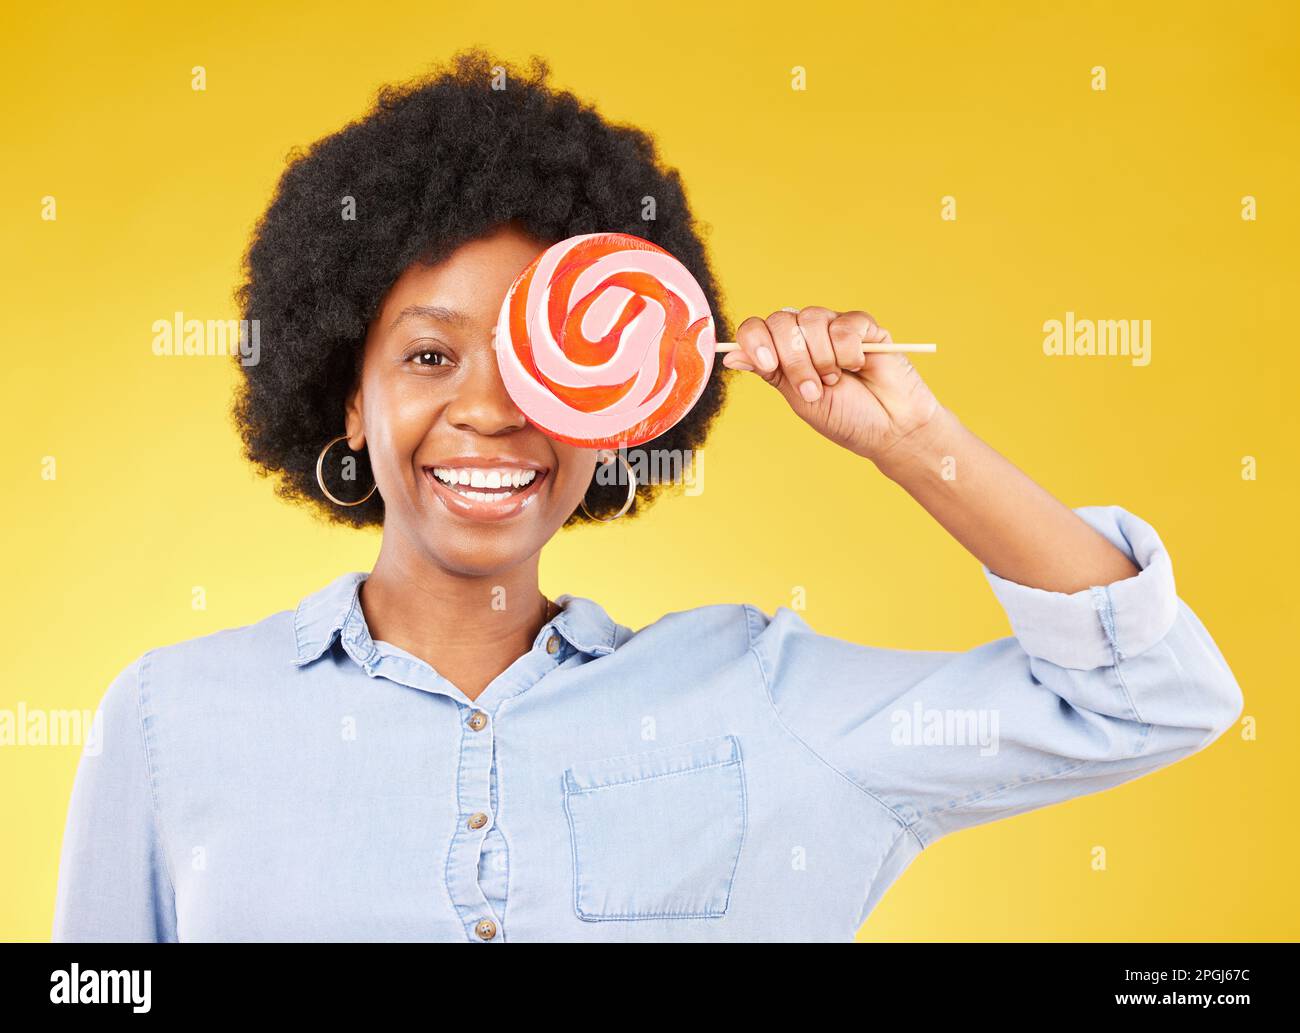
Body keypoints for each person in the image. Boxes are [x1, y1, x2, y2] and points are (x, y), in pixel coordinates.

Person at [52, 50, 1242, 943]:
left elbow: (1150, 700)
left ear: (616, 407)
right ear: (345, 398)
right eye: (427, 356)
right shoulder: (172, 719)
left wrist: (914, 441)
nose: (490, 409)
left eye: (535, 361)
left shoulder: (758, 696)